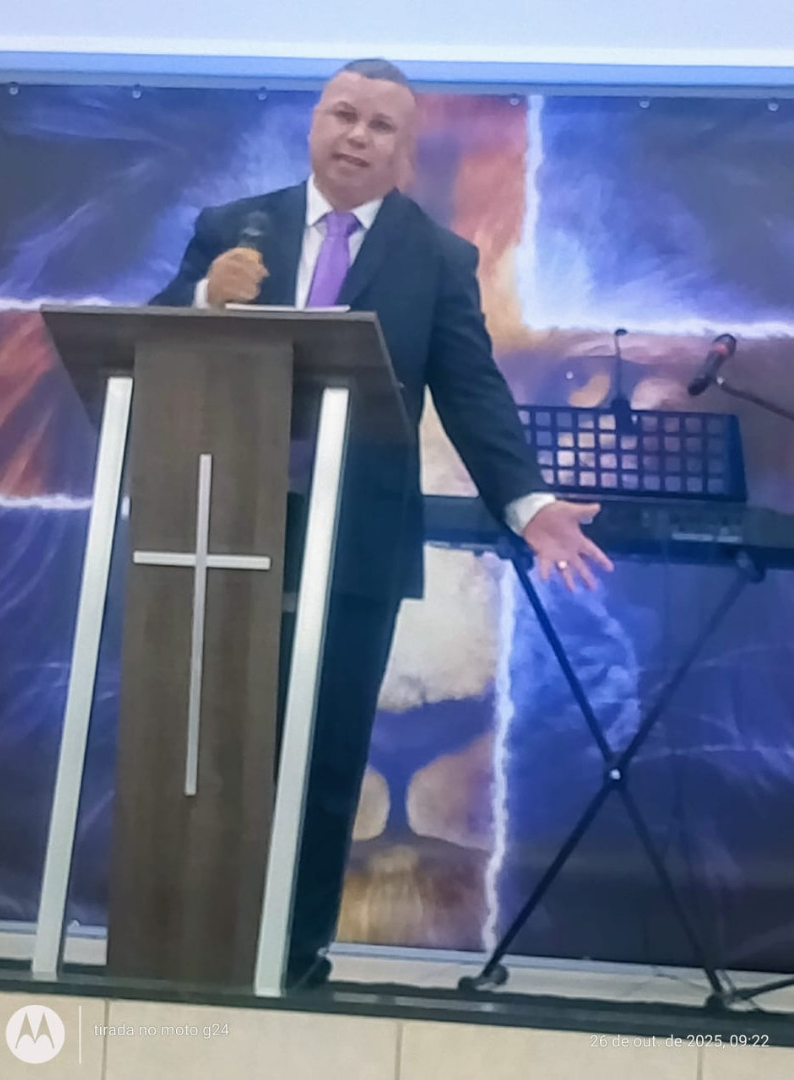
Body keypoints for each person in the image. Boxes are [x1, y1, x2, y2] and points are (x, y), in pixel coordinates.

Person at [152, 58, 612, 988]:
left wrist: (527, 503)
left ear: (404, 150)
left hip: (355, 543)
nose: (356, 136)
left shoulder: (435, 258)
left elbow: (472, 392)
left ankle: (292, 955)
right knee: (213, 748)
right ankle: (192, 948)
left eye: (379, 126)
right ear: (314, 123)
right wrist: (204, 299)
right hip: (225, 530)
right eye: (343, 115)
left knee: (326, 759)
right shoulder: (233, 230)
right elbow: (152, 338)